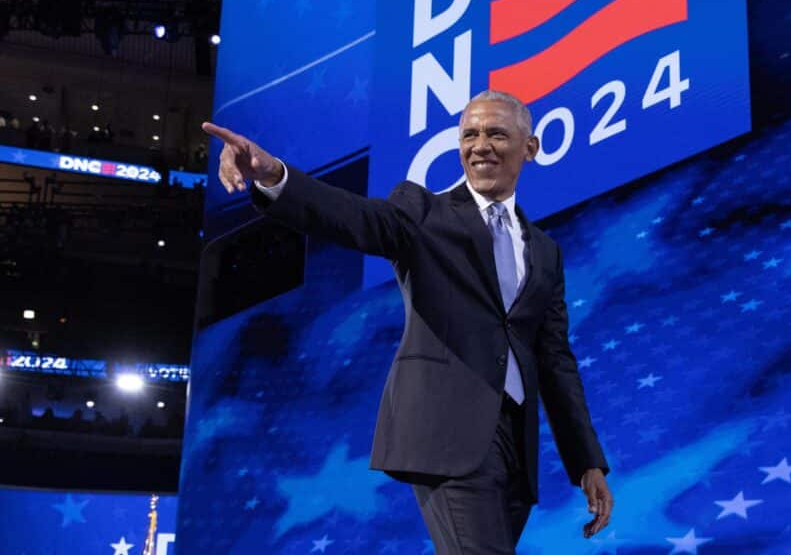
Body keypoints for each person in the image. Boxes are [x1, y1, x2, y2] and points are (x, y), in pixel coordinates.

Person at [203, 90, 614, 553]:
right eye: (470, 134)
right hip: (447, 434)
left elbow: (555, 359)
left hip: (515, 447)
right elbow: (351, 216)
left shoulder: (543, 251)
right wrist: (274, 175)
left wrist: (586, 462)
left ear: (530, 148)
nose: (480, 145)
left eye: (497, 134)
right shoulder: (422, 212)